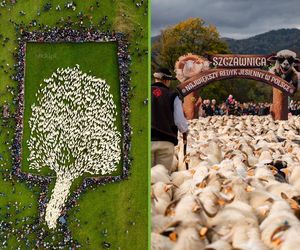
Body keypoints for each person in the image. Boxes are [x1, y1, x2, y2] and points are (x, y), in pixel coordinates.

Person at [151, 68, 188, 171]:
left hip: (147, 140)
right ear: (166, 80)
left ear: (156, 79)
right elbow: (179, 120)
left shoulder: (144, 93)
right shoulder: (173, 96)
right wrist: (185, 131)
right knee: (162, 177)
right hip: (166, 141)